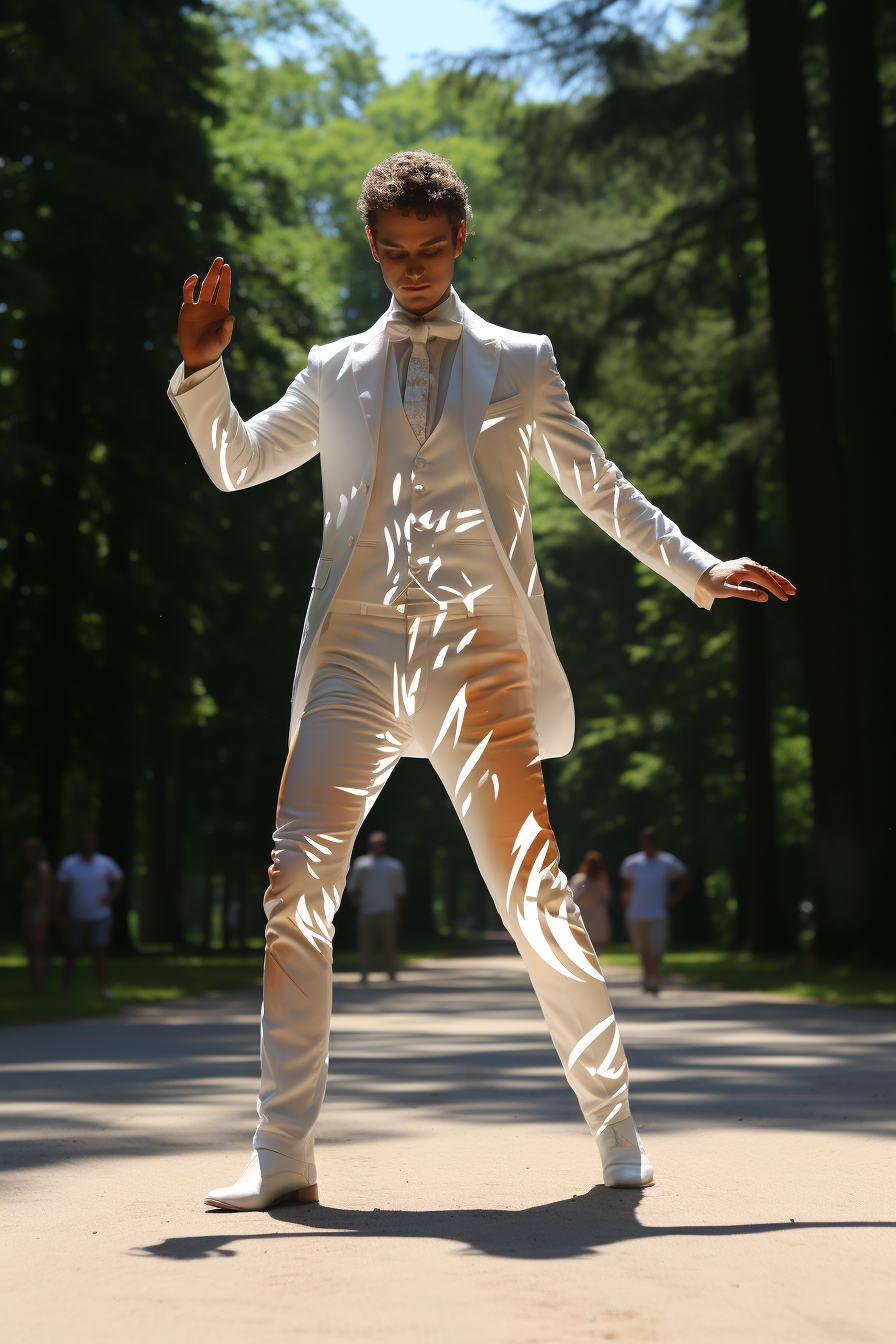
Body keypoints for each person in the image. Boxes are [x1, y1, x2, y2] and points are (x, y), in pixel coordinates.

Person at [168, 150, 794, 1210]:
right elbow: (234, 462)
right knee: (293, 887)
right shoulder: (332, 369)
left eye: (431, 250)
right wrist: (202, 370)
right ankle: (281, 1152)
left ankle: (614, 1129)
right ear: (372, 247)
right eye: (393, 252)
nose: (412, 270)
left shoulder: (520, 361)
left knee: (533, 898)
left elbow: (598, 487)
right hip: (355, 652)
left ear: (460, 241)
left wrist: (694, 565)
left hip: (477, 653)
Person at [620, 826, 690, 995]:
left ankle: (652, 977)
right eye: (645, 842)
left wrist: (674, 898)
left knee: (656, 948)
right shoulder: (632, 863)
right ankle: (649, 977)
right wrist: (626, 906)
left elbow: (685, 878)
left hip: (658, 913)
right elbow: (627, 888)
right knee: (643, 948)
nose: (647, 845)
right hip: (636, 913)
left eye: (650, 842)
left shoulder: (667, 861)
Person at [55, 830, 124, 999]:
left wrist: (111, 897)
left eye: (92, 841)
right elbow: (60, 891)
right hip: (76, 916)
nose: (88, 844)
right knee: (72, 951)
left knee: (100, 952)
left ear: (96, 843)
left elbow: (120, 879)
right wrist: (60, 914)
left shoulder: (105, 862)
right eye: (85, 841)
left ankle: (102, 988)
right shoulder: (69, 864)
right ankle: (65, 988)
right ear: (80, 843)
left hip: (101, 916)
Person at [346, 831, 406, 982]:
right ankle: (364, 975)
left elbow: (400, 891)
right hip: (366, 911)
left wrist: (399, 911)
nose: (375, 847)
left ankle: (392, 974)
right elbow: (352, 886)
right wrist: (355, 902)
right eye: (373, 844)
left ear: (384, 846)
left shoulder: (394, 865)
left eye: (378, 844)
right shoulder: (361, 863)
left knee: (389, 945)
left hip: (387, 910)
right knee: (364, 946)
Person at [20, 837, 53, 994]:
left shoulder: (42, 868)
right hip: (31, 911)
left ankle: (38, 988)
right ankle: (35, 986)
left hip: (37, 913)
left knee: (36, 951)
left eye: (30, 849)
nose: (27, 853)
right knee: (31, 951)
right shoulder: (34, 869)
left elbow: (44, 895)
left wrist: (37, 916)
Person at [570, 850, 613, 952]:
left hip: (597, 916)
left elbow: (607, 898)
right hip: (583, 915)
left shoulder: (602, 881)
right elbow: (572, 897)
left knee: (594, 946)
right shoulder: (579, 879)